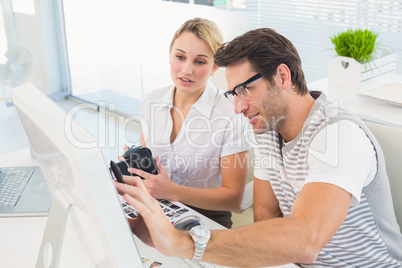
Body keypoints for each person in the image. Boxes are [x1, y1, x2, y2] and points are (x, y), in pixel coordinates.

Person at [115, 27, 402, 267]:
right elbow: (265, 214)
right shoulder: (267, 130)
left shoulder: (338, 135)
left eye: (245, 89)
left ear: (283, 76)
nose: (237, 106)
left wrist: (181, 242)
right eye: (232, 94)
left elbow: (305, 239)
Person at [120, 18, 250, 228]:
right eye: (180, 57)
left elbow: (233, 198)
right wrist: (132, 167)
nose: (186, 70)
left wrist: (171, 191)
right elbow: (147, 156)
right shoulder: (152, 100)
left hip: (206, 218)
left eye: (199, 61)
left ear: (214, 66)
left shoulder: (230, 113)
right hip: (156, 207)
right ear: (170, 56)